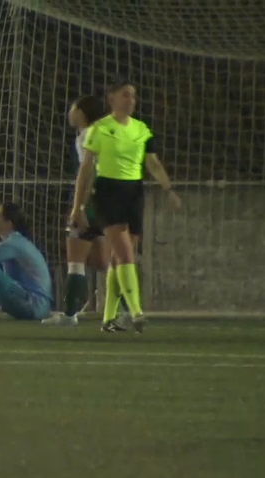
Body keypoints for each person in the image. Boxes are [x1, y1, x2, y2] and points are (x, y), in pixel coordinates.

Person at [70, 77, 181, 333]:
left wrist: (168, 190)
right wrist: (78, 206)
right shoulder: (100, 129)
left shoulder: (141, 129)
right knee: (125, 253)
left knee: (120, 257)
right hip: (108, 192)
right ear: (112, 99)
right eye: (125, 95)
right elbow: (85, 170)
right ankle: (136, 311)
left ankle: (109, 318)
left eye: (133, 96)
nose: (131, 100)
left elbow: (152, 163)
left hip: (134, 192)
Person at [42, 95, 130, 329]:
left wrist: (79, 207)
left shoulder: (86, 136)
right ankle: (126, 310)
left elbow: (88, 172)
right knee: (102, 260)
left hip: (92, 200)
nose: (70, 113)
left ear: (82, 113)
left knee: (76, 259)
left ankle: (70, 314)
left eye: (73, 108)